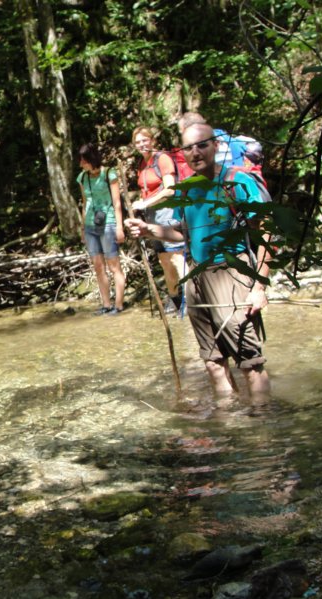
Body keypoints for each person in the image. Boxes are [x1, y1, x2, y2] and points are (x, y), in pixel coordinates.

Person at [125, 123, 271, 400]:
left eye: (202, 145)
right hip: (196, 278)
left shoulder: (237, 181)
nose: (195, 152)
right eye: (188, 148)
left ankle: (263, 422)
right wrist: (148, 230)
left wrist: (259, 287)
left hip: (232, 274)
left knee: (250, 363)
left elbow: (265, 231)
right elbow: (183, 233)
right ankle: (227, 419)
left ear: (216, 145)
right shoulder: (187, 190)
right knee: (213, 362)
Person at [130, 126, 187, 315]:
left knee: (177, 257)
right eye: (138, 142)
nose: (141, 145)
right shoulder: (142, 163)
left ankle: (190, 299)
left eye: (144, 140)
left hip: (167, 213)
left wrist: (145, 203)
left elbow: (170, 189)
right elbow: (146, 189)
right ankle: (175, 299)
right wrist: (142, 203)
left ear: (152, 141)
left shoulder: (162, 159)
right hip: (152, 215)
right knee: (164, 260)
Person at [77, 143, 126, 315]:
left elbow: (117, 202)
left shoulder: (109, 173)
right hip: (90, 225)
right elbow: (85, 203)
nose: (81, 164)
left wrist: (120, 227)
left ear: (92, 159)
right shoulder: (82, 177)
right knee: (98, 266)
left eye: (84, 161)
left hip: (109, 223)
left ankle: (118, 305)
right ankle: (106, 304)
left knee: (114, 266)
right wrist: (83, 228)